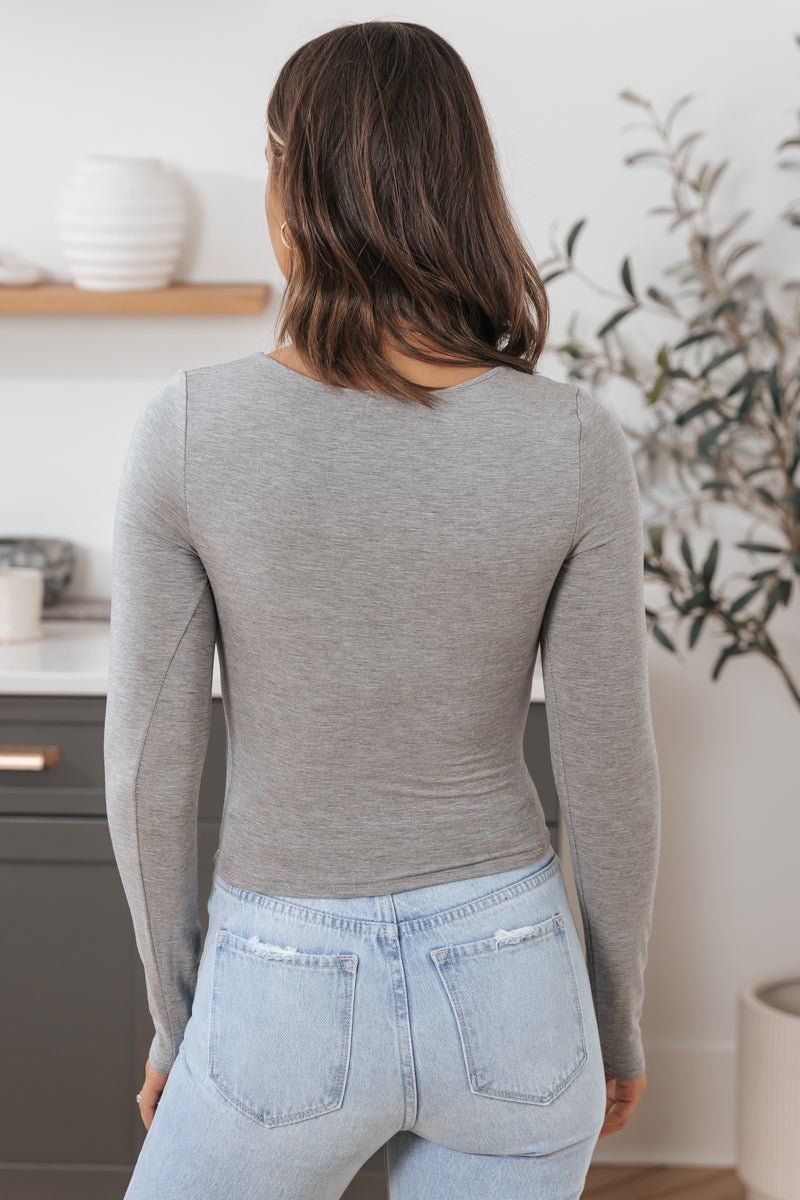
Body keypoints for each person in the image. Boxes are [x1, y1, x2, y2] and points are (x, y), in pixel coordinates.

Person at [103, 19, 660, 1200]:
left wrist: (173, 1019)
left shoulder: (192, 427)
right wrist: (612, 1022)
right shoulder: (568, 438)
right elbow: (610, 765)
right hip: (513, 978)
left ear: (294, 187)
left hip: (279, 975)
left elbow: (148, 768)